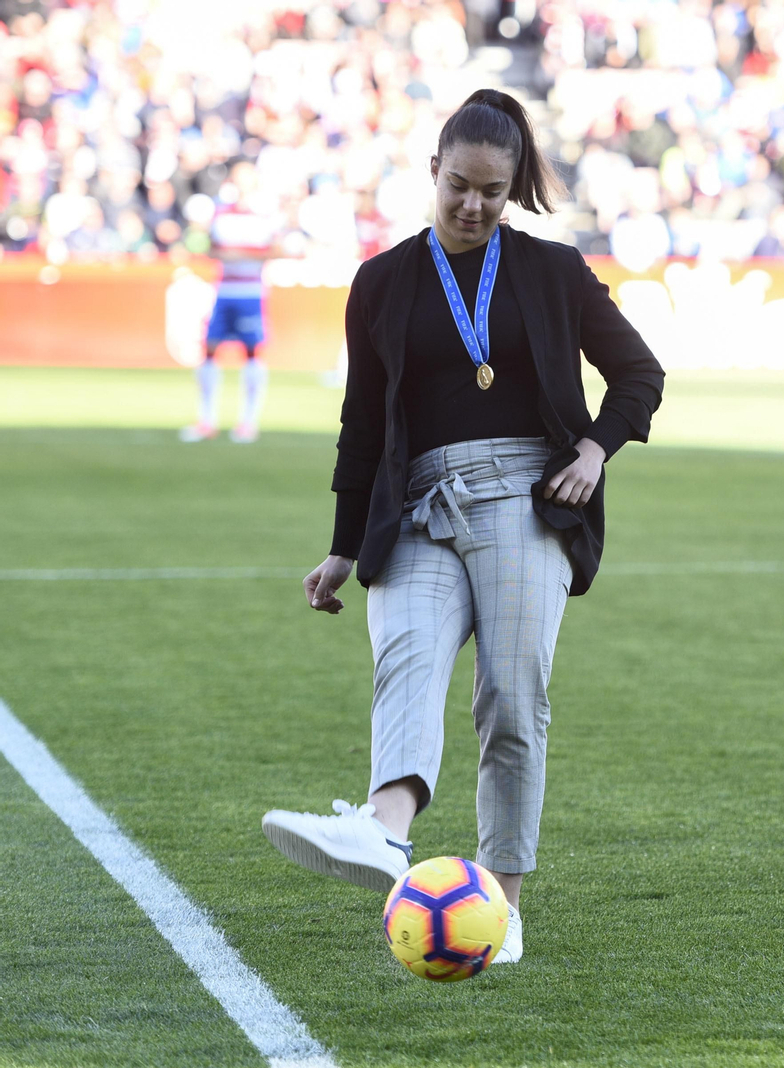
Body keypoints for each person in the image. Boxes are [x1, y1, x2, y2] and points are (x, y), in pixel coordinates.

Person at [260, 89, 665, 966]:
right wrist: (340, 545)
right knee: (403, 656)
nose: (475, 206)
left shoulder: (554, 272)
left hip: (527, 498)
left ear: (514, 186)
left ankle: (503, 903)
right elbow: (362, 424)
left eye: (493, 190)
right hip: (414, 507)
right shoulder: (379, 283)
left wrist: (595, 452)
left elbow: (639, 374)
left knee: (510, 702)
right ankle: (383, 828)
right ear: (432, 172)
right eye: (459, 187)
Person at [180, 162, 276, 444]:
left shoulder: (264, 214)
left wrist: (235, 254)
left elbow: (270, 251)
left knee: (251, 352)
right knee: (209, 349)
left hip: (250, 293)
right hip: (225, 290)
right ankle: (206, 420)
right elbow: (211, 248)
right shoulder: (221, 213)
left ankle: (249, 421)